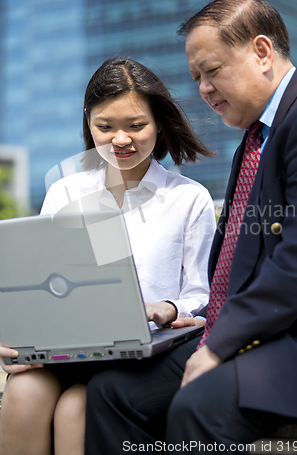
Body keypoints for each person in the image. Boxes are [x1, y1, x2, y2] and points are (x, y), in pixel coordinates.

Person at [84, 0, 297, 454]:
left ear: (261, 52)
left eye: (212, 70)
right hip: (247, 334)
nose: (203, 88)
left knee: (197, 405)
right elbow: (238, 268)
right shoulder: (256, 138)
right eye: (196, 76)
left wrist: (219, 345)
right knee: (111, 392)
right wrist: (195, 321)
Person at [0, 58, 216, 455]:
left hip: (140, 358)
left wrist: (168, 308)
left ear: (160, 123)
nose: (121, 139)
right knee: (24, 395)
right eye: (105, 127)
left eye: (136, 126)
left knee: (74, 409)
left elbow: (201, 294)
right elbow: (40, 286)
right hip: (67, 349)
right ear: (88, 123)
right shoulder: (66, 193)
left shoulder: (188, 199)